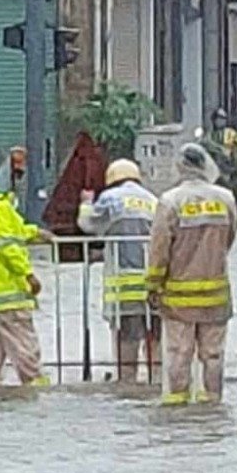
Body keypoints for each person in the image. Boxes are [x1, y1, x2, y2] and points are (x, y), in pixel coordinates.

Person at [147, 143, 237, 406]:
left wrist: (153, 285)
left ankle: (177, 405)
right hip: (217, 294)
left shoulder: (170, 201)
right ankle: (211, 402)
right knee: (213, 354)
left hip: (179, 295)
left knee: (178, 352)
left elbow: (159, 249)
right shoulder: (226, 198)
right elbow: (229, 239)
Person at [0, 147, 53, 388]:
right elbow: (9, 246)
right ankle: (37, 387)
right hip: (7, 289)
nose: (20, 179)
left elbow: (5, 235)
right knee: (23, 343)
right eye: (17, 174)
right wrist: (28, 275)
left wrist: (35, 232)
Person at [76, 159, 160, 384]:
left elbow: (88, 224)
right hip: (155, 283)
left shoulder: (110, 198)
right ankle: (158, 381)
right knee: (155, 336)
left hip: (125, 286)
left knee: (127, 338)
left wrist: (86, 203)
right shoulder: (153, 200)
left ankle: (127, 383)